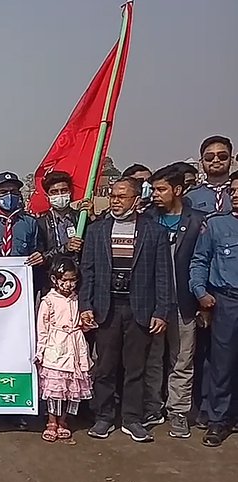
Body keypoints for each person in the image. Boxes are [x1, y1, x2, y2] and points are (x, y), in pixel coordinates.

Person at [80, 177, 175, 443]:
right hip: (106, 307)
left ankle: (132, 419)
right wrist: (85, 305)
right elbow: (87, 272)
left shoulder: (153, 232)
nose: (116, 200)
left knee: (136, 368)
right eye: (113, 195)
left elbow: (163, 275)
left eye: (122, 196)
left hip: (140, 309)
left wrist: (161, 311)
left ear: (136, 200)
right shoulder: (98, 230)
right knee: (105, 367)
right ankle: (104, 417)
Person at [141, 165, 203, 438]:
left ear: (178, 190)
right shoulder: (146, 220)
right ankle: (152, 407)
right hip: (153, 304)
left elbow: (202, 262)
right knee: (152, 359)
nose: (155, 194)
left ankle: (178, 411)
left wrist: (201, 300)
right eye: (153, 189)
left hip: (184, 303)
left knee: (181, 360)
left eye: (161, 189)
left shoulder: (198, 221)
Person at [189, 170, 238, 447]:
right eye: (233, 191)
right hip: (227, 301)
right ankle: (218, 420)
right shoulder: (216, 225)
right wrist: (200, 292)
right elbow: (199, 261)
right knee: (223, 363)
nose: (237, 195)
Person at [35, 257, 93, 442]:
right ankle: (51, 421)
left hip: (76, 346)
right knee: (55, 389)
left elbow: (84, 324)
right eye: (65, 280)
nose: (69, 284)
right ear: (54, 279)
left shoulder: (79, 299)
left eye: (72, 280)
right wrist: (40, 351)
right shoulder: (48, 301)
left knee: (71, 388)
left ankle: (64, 421)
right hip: (56, 347)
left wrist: (87, 325)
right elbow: (42, 329)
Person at [35, 171, 92, 293]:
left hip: (79, 282)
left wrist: (92, 217)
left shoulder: (81, 218)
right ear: (47, 196)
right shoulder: (40, 223)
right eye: (54, 192)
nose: (60, 195)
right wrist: (65, 248)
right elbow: (41, 257)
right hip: (52, 284)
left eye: (63, 190)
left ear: (70, 193)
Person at [185, 135, 233, 216]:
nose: (216, 160)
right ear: (201, 162)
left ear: (231, 160)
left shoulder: (236, 191)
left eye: (222, 156)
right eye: (209, 157)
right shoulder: (190, 197)